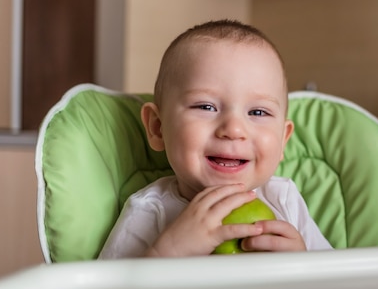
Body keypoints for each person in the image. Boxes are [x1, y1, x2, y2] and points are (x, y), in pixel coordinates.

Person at [99, 19, 332, 258]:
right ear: (158, 128)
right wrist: (166, 252)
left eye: (258, 112)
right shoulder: (149, 211)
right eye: (206, 107)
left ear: (283, 140)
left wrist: (304, 264)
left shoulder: (285, 200)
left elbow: (340, 284)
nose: (233, 129)